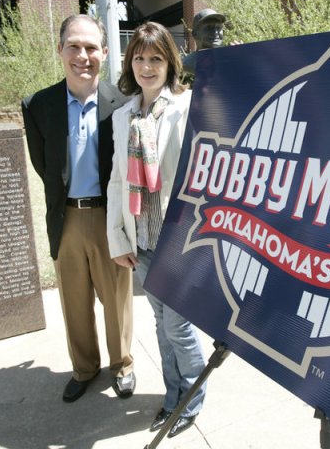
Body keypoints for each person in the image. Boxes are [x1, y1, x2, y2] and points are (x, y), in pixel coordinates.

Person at [21, 15, 135, 403]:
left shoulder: (123, 104)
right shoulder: (37, 105)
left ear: (105, 52)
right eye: (74, 45)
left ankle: (123, 365)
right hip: (66, 217)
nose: (82, 55)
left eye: (91, 47)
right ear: (60, 50)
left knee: (117, 298)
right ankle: (84, 368)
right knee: (73, 299)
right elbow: (44, 166)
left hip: (110, 217)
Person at [106, 22, 207, 438]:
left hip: (177, 239)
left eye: (156, 58)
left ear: (170, 62)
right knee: (160, 323)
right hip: (142, 240)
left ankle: (192, 399)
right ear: (131, 62)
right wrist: (118, 238)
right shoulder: (122, 116)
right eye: (140, 58)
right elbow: (116, 179)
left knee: (177, 327)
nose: (147, 66)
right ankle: (172, 398)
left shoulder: (187, 108)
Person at [182, 8, 231, 76]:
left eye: (219, 27)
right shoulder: (186, 64)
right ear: (195, 34)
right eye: (209, 27)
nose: (215, 32)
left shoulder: (229, 60)